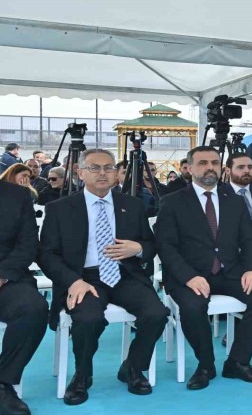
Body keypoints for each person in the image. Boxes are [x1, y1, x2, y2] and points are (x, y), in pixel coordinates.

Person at [40, 149, 168, 405]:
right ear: (80, 173)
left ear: (115, 173)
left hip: (125, 273)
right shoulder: (59, 209)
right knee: (88, 319)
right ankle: (82, 375)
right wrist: (73, 281)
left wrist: (138, 248)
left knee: (156, 313)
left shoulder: (131, 205)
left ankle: (133, 367)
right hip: (83, 278)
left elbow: (151, 244)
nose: (102, 173)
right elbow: (47, 254)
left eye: (108, 167)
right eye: (94, 168)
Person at [155, 146, 252, 390]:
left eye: (214, 163)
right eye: (202, 163)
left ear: (221, 168)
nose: (210, 167)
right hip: (189, 275)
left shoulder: (235, 201)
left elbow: (248, 240)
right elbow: (165, 247)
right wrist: (188, 277)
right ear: (189, 168)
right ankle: (205, 365)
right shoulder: (172, 201)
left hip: (230, 272)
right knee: (193, 306)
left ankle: (237, 362)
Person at [0, 179, 48, 415]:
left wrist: (2, 275)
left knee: (33, 309)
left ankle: (3, 382)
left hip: (7, 278)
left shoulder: (18, 195)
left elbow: (28, 244)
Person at [222, 153, 252, 220]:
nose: (247, 171)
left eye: (250, 167)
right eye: (240, 167)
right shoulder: (219, 195)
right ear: (228, 171)